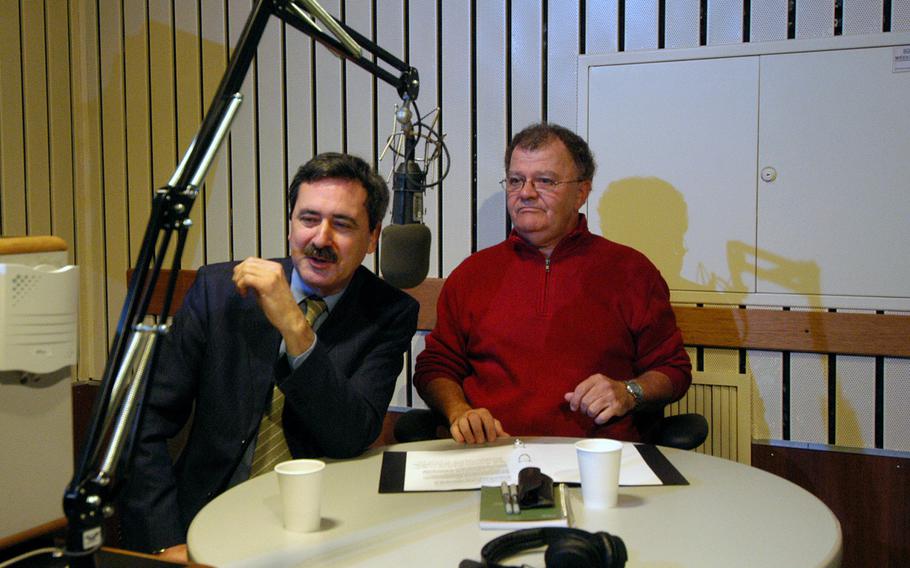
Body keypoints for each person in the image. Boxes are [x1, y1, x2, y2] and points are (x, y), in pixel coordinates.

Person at [121, 153, 419, 560]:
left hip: (324, 528)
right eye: (308, 219)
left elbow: (350, 434)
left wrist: (296, 329)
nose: (320, 239)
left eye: (343, 225)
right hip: (203, 517)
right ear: (291, 221)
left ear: (372, 238)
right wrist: (164, 539)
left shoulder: (389, 312)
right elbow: (144, 424)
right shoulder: (218, 292)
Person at [414, 123, 691, 445]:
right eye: (516, 180)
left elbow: (673, 370)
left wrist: (629, 391)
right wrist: (459, 411)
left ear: (582, 192)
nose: (526, 193)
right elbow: (436, 366)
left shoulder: (631, 271)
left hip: (597, 458)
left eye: (545, 181)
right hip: (491, 453)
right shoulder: (472, 274)